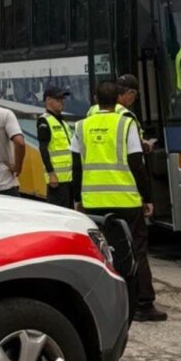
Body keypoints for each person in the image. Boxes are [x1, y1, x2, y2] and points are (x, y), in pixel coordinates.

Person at [72, 79, 166, 322]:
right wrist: (147, 197)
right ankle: (143, 303)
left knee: (103, 251)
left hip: (94, 202)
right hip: (125, 200)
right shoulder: (126, 124)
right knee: (136, 250)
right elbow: (136, 163)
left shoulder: (81, 126)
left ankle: (106, 304)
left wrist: (77, 199)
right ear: (117, 100)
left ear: (95, 99)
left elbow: (76, 166)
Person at [37, 86, 74, 208]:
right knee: (59, 211)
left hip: (69, 178)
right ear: (48, 100)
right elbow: (43, 149)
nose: (61, 102)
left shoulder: (62, 122)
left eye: (62, 99)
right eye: (58, 99)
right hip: (57, 179)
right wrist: (51, 174)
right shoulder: (44, 121)